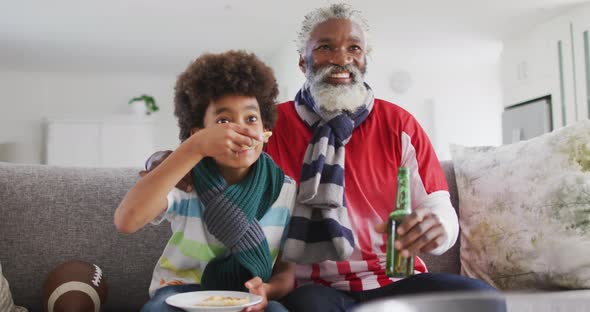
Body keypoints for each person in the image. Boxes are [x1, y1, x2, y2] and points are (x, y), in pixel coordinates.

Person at [144, 4, 505, 312]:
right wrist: (168, 160)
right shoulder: (270, 124)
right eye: (326, 48)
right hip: (310, 285)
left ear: (365, 59)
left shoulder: (399, 124)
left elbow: (441, 208)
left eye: (353, 48)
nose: (341, 59)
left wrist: (438, 227)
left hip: (391, 277)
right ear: (303, 61)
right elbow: (218, 154)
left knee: (484, 301)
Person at [114, 50, 296, 312]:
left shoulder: (286, 190)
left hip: (247, 296)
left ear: (266, 131)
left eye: (251, 119)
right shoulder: (185, 180)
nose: (239, 129)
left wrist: (268, 290)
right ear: (198, 133)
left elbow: (286, 271)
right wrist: (192, 150)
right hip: (180, 292)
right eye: (223, 121)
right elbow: (126, 221)